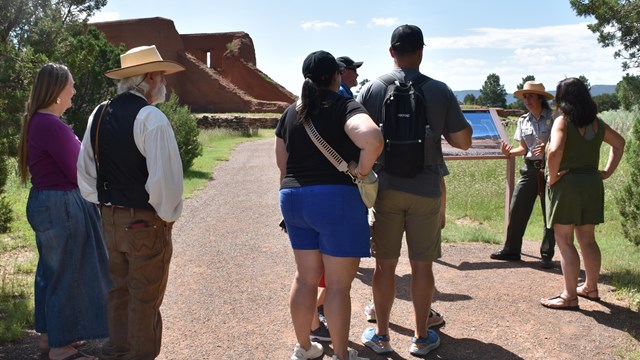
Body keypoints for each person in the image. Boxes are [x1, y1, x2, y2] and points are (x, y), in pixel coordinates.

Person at [357, 25, 472, 357]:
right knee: (423, 267)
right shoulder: (438, 90)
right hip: (426, 189)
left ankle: (381, 336)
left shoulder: (372, 89)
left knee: (384, 266)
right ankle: (421, 339)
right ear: (421, 51)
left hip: (386, 190)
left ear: (391, 52)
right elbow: (462, 141)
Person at [77, 45, 185, 359]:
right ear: (149, 78)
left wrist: (104, 203)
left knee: (118, 292)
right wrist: (167, 215)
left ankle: (116, 351)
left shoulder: (99, 113)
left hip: (108, 219)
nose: (164, 82)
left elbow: (84, 171)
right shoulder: (151, 118)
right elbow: (165, 181)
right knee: (144, 298)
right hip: (144, 221)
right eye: (161, 75)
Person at [276, 50, 383, 360]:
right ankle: (341, 355)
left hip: (294, 199)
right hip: (336, 200)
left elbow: (281, 165)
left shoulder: (290, 113)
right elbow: (373, 139)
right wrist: (361, 172)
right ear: (336, 76)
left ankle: (305, 348)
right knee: (337, 287)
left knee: (304, 278)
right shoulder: (344, 105)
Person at [18, 63, 110, 360]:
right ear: (58, 92)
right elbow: (77, 172)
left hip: (49, 202)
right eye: (71, 85)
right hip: (61, 206)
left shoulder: (41, 123)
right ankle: (60, 349)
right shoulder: (50, 125)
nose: (75, 90)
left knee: (52, 272)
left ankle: (51, 337)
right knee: (66, 274)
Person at [541, 77, 625, 310]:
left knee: (565, 241)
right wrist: (606, 172)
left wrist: (553, 176)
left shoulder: (563, 121)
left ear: (561, 98)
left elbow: (555, 151)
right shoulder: (597, 124)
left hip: (567, 185)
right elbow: (619, 143)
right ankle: (590, 287)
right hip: (591, 185)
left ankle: (569, 296)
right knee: (588, 240)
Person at [490, 81, 556, 269]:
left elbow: (562, 144)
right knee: (517, 208)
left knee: (549, 214)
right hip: (529, 170)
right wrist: (509, 152)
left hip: (549, 170)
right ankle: (511, 250)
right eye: (524, 96)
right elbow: (523, 148)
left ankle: (546, 255)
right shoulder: (523, 120)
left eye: (530, 96)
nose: (526, 99)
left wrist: (549, 147)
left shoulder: (555, 118)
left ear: (540, 98)